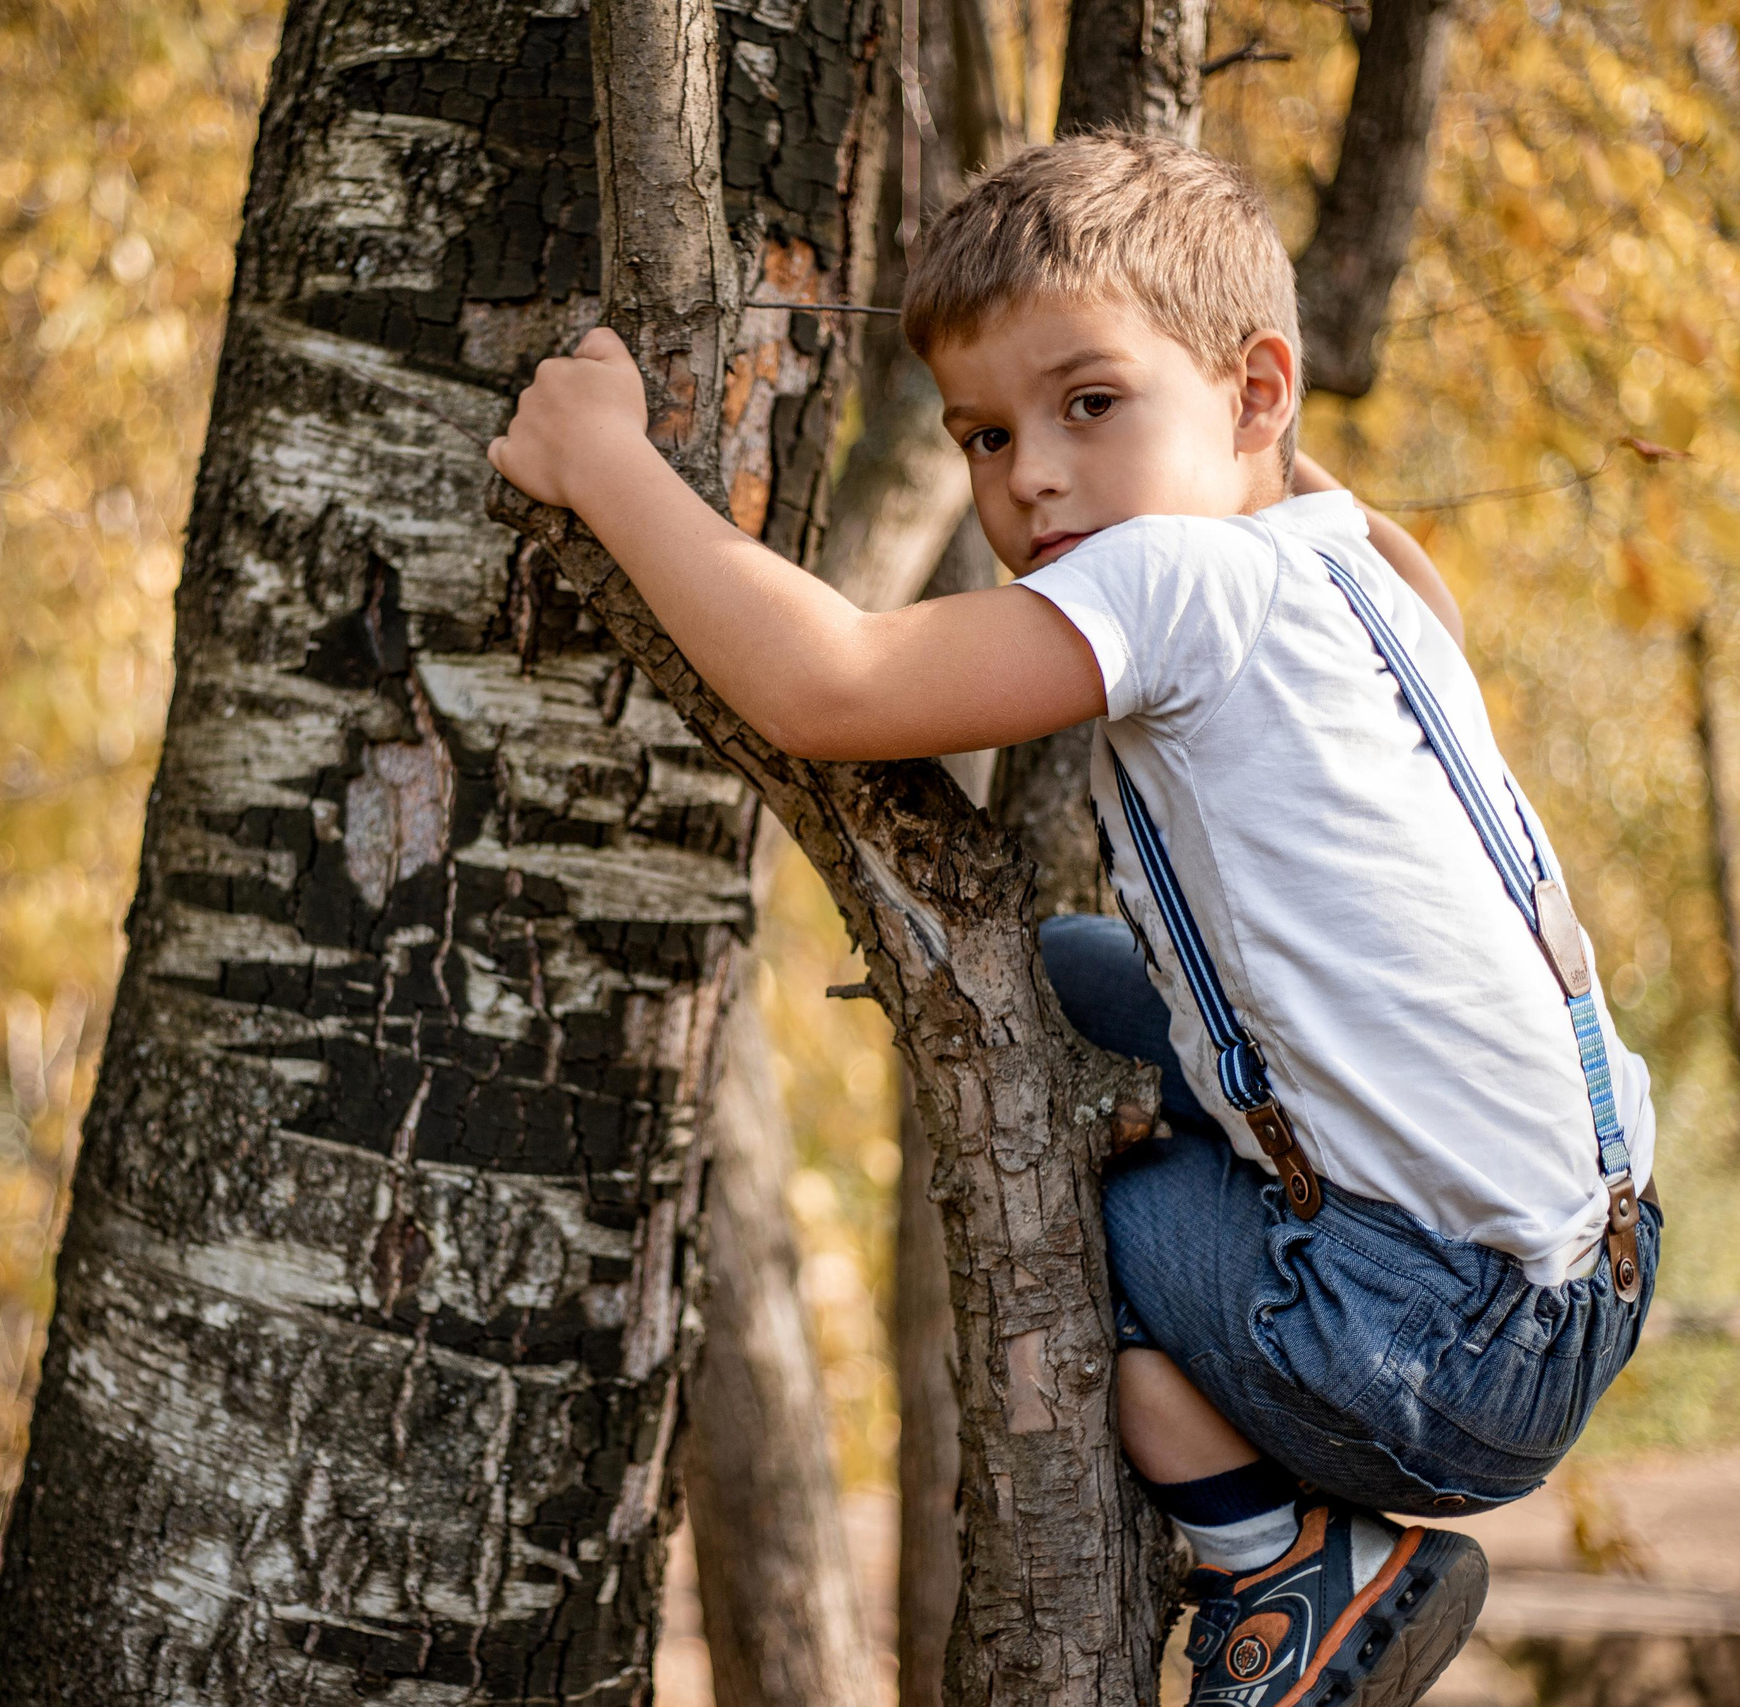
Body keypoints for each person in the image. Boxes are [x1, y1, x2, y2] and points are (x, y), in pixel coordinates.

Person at [488, 128, 1659, 1707]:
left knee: (1057, 1202)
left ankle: (1292, 1568)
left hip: (1426, 1352)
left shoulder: (1179, 580)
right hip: (1602, 1252)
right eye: (983, 434)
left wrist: (605, 462)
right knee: (1076, 976)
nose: (1027, 473)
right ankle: (1263, 1407)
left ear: (1255, 395)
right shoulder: (1372, 570)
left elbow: (827, 686)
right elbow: (1317, 512)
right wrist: (1226, 435)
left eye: (1087, 404)